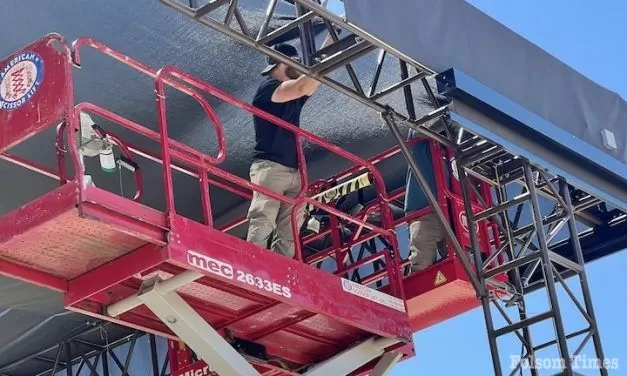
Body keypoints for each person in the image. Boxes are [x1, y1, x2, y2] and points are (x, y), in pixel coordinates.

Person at [246, 38, 333, 258]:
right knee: (263, 219)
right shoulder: (268, 89)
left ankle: (281, 273)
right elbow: (306, 83)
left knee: (290, 230)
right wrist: (321, 60)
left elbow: (314, 79)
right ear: (282, 63)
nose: (301, 66)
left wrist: (332, 43)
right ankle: (252, 264)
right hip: (271, 167)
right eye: (296, 62)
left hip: (293, 170)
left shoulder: (291, 94)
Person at [404, 131, 445, 273]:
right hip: (424, 209)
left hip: (449, 210)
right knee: (422, 261)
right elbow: (426, 125)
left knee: (463, 262)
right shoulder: (419, 135)